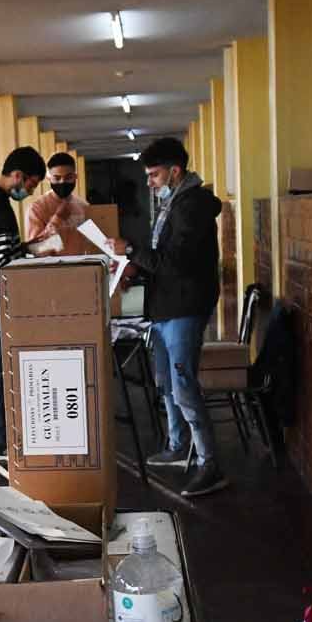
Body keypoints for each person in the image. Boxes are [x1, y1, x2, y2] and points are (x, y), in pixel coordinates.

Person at [109, 137, 226, 498]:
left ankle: (210, 464)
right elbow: (163, 259)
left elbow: (174, 263)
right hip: (165, 306)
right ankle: (178, 447)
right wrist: (135, 267)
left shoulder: (192, 207)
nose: (149, 182)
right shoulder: (173, 204)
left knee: (184, 385)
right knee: (166, 383)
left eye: (154, 174)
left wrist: (130, 250)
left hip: (184, 308)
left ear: (175, 171)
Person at [0, 146, 45, 464]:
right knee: (0, 372)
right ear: (17, 175)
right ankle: (2, 441)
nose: (28, 192)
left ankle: (1, 437)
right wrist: (31, 253)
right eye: (30, 185)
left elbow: (0, 254)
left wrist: (28, 246)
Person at [25, 152, 93, 255]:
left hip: (81, 266)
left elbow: (90, 242)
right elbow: (36, 250)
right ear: (49, 179)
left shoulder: (83, 205)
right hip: (53, 269)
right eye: (57, 178)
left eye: (68, 177)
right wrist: (57, 219)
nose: (62, 182)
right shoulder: (37, 208)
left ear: (75, 177)